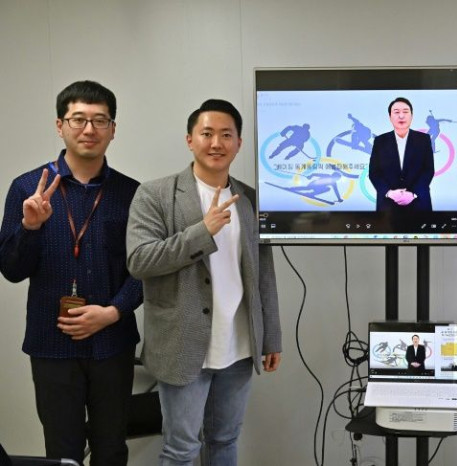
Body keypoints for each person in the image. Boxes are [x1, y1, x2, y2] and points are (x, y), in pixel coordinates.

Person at [126, 99, 282, 466]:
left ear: (239, 144)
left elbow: (263, 274)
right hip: (182, 345)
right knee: (181, 450)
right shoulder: (155, 195)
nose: (216, 143)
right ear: (190, 140)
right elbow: (139, 261)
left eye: (226, 135)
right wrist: (203, 231)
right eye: (207, 133)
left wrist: (270, 335)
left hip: (240, 345)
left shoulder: (250, 200)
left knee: (225, 441)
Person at [0, 81, 142, 465]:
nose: (89, 129)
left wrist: (111, 312)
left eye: (100, 120)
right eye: (78, 119)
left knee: (112, 448)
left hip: (113, 343)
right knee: (62, 452)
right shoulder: (28, 188)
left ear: (113, 129)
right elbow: (11, 270)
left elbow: (147, 270)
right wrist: (30, 228)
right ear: (59, 125)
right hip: (51, 343)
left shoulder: (133, 194)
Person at [369, 97, 434, 213]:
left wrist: (413, 194)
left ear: (411, 116)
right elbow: (374, 173)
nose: (401, 116)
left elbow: (428, 170)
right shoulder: (380, 141)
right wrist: (389, 193)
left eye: (405, 112)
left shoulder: (423, 139)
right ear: (390, 117)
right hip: (388, 206)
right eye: (396, 112)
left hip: (419, 203)